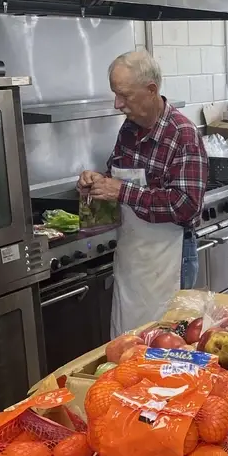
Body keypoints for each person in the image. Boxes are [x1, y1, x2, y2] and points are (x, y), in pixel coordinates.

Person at [78, 51, 207, 337]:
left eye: (124, 95)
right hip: (133, 262)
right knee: (128, 343)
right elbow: (118, 180)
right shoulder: (129, 130)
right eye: (115, 94)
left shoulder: (183, 135)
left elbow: (186, 205)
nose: (117, 104)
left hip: (169, 260)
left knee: (166, 344)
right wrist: (98, 183)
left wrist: (122, 191)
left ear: (151, 90)